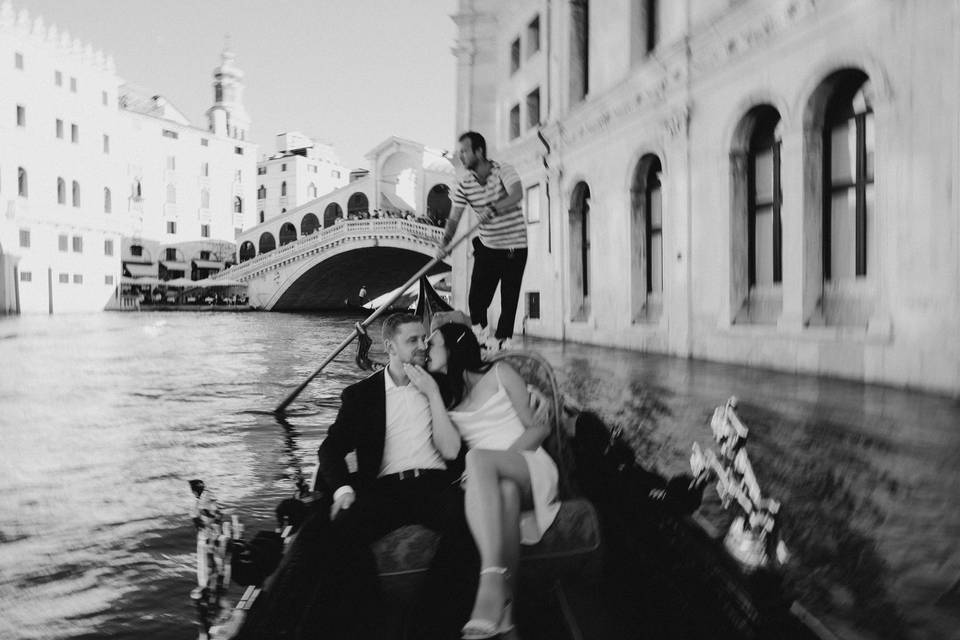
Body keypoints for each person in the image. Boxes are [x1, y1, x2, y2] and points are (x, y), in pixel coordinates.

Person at [312, 312, 478, 639]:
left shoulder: (441, 384)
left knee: (469, 523)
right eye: (412, 340)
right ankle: (370, 624)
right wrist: (343, 490)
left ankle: (430, 625)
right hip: (384, 489)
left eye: (424, 340)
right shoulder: (361, 395)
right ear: (390, 346)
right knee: (341, 532)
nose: (422, 347)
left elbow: (480, 382)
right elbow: (330, 450)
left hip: (435, 485)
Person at [405, 319, 560, 639]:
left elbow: (539, 428)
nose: (425, 350)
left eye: (431, 343)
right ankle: (506, 618)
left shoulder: (501, 374)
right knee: (503, 491)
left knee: (478, 459)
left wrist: (494, 463)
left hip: (529, 465)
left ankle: (490, 580)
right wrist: (433, 393)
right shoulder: (446, 398)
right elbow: (449, 451)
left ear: (452, 347)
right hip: (494, 482)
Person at [437, 131, 527, 353]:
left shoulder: (503, 170)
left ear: (479, 151)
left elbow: (517, 194)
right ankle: (482, 338)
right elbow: (454, 218)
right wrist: (444, 243)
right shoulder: (464, 185)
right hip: (488, 246)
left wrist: (494, 208)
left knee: (509, 299)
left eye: (465, 152)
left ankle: (502, 341)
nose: (461, 156)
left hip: (515, 246)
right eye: (459, 153)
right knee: (476, 300)